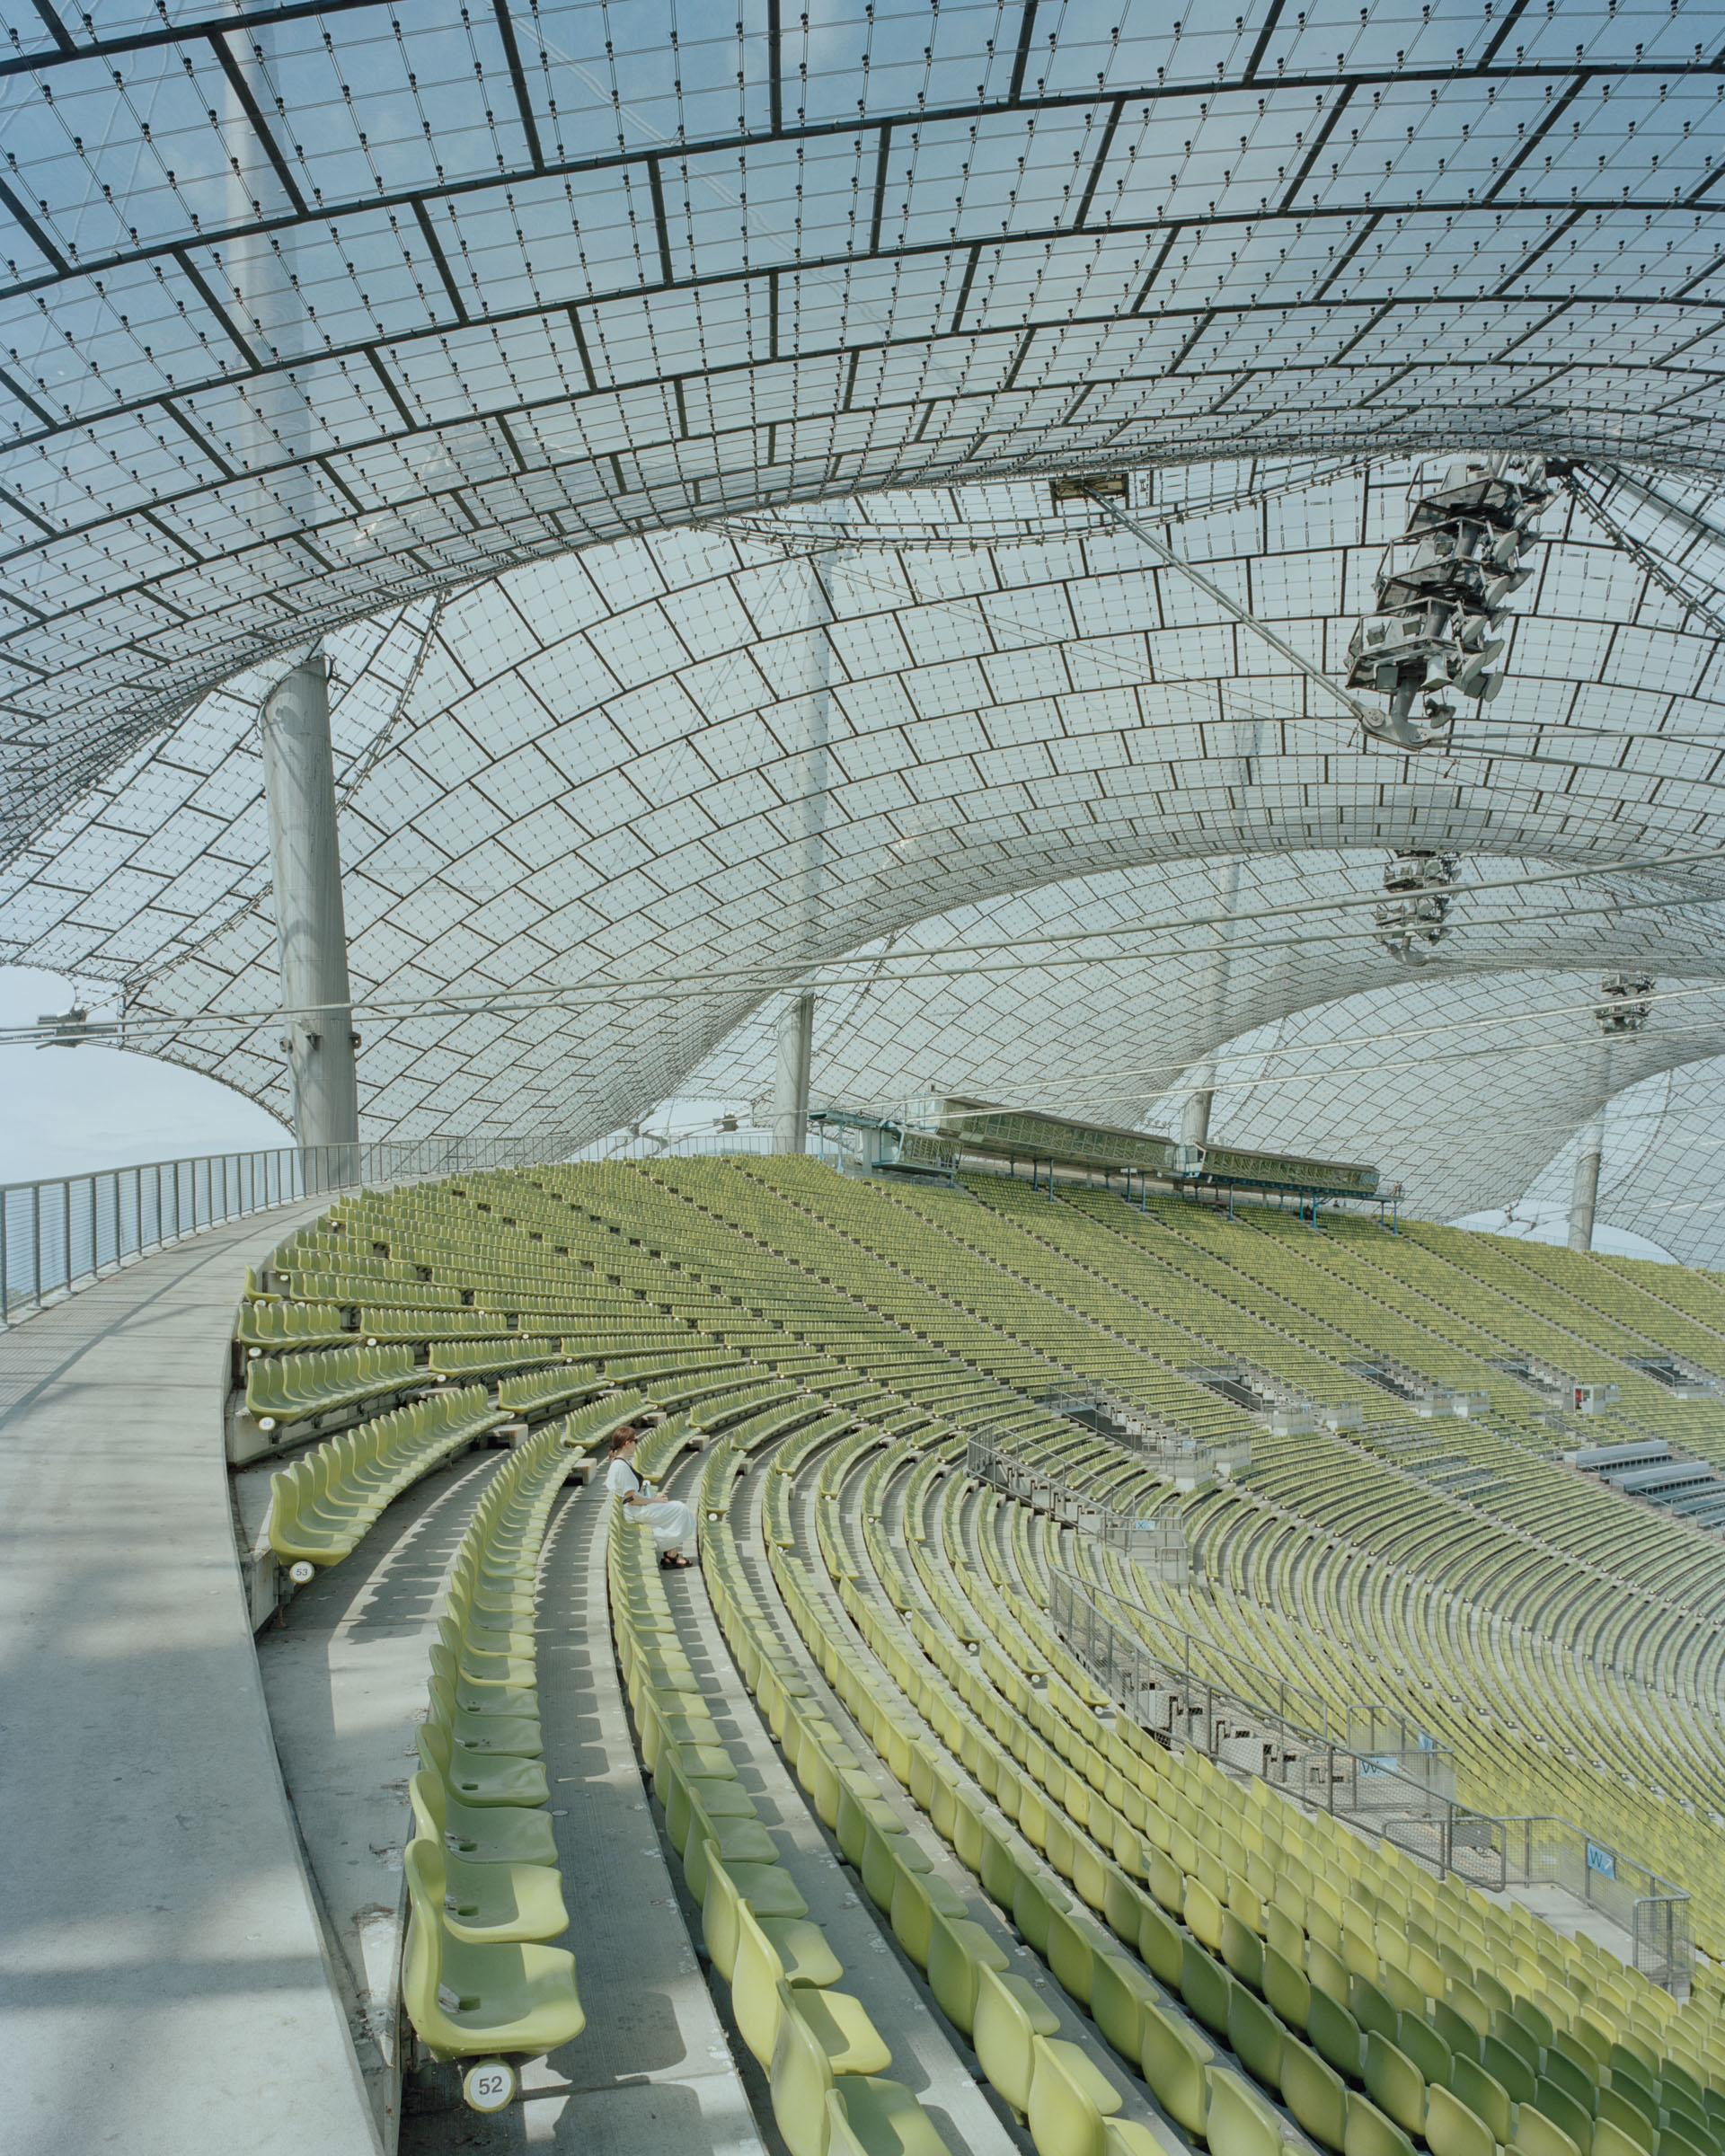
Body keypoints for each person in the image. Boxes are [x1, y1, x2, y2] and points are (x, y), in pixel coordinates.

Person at [604, 1426, 697, 1568]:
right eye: (635, 1440)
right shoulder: (621, 1467)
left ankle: (671, 1554)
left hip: (634, 1508)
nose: (637, 1443)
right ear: (627, 1444)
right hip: (634, 1511)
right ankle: (671, 1554)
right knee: (680, 1510)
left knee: (674, 1509)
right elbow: (631, 1499)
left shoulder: (621, 1462)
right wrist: (654, 1500)